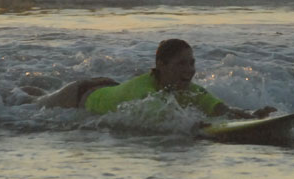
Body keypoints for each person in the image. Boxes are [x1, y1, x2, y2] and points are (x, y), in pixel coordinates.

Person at [30, 39, 276, 119]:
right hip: (79, 95)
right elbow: (169, 120)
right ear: (161, 65)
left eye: (192, 63)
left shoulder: (189, 89)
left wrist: (252, 116)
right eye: (181, 64)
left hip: (109, 86)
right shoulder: (145, 92)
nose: (189, 70)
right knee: (24, 106)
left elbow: (220, 109)